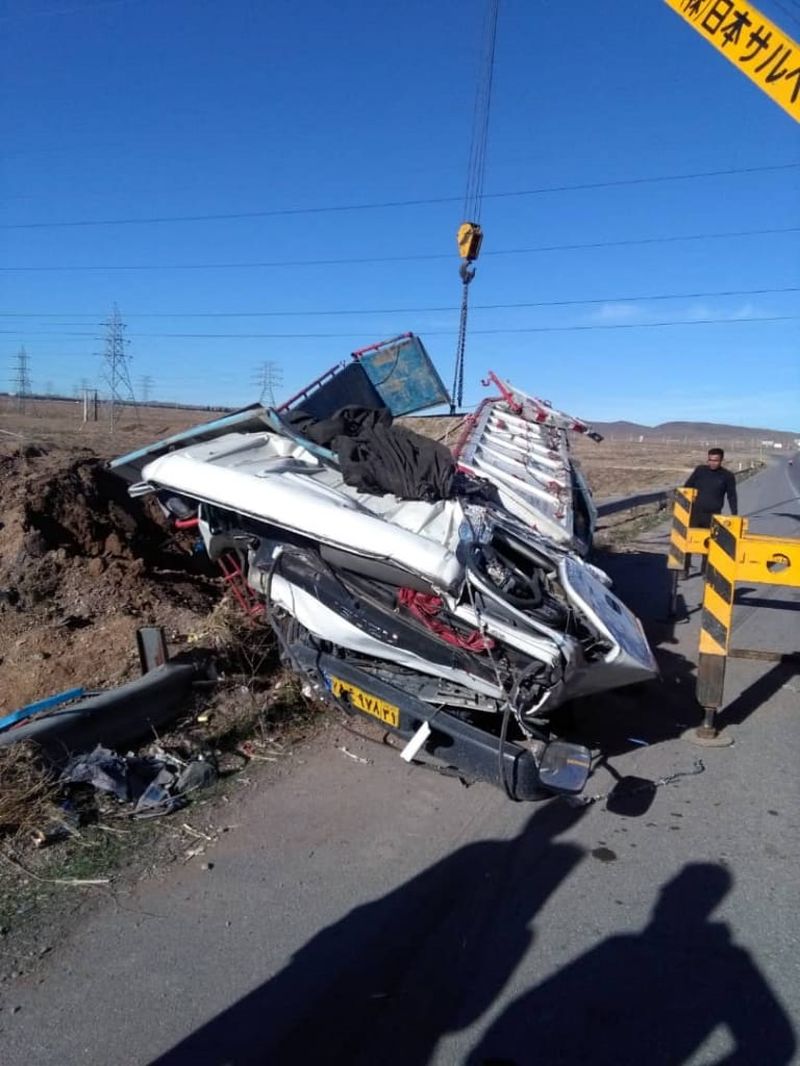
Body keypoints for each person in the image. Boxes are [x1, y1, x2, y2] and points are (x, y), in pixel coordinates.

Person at [683, 447, 738, 574]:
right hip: (695, 513)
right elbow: (687, 487)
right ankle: (684, 570)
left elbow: (732, 496)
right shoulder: (700, 471)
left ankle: (705, 571)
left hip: (713, 515)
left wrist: (734, 514)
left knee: (709, 544)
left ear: (721, 460)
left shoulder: (727, 476)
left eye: (715, 460)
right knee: (688, 542)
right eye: (710, 460)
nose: (712, 463)